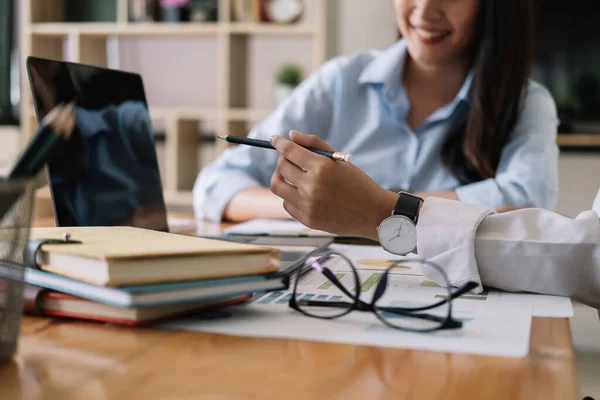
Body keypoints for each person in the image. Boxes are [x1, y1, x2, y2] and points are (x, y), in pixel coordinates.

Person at [194, 0, 559, 222]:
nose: (424, 10)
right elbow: (214, 185)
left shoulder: (527, 104)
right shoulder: (340, 81)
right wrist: (318, 208)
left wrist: (371, 206)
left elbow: (525, 203)